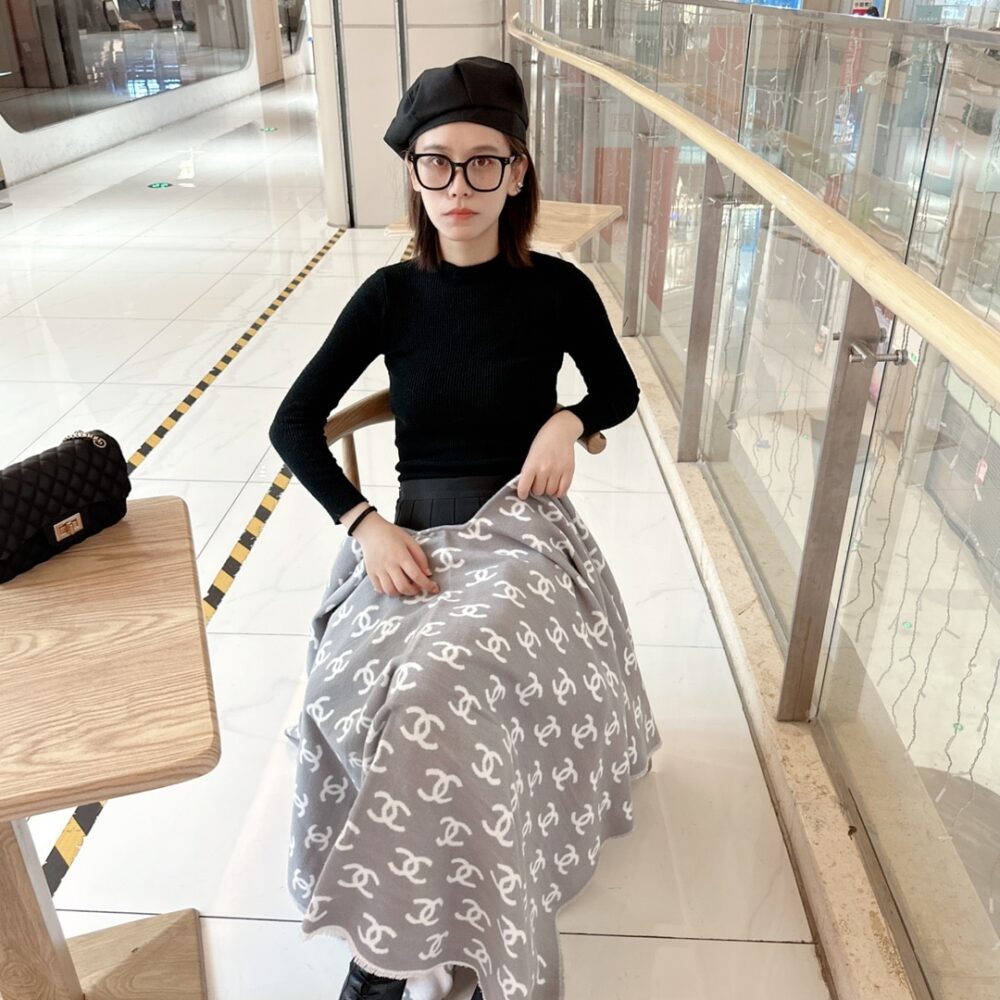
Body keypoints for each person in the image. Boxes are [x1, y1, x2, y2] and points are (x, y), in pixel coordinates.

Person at [269, 56, 653, 1000]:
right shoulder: (391, 295)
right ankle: (416, 932)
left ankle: (396, 956)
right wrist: (363, 523)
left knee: (438, 687)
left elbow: (618, 387)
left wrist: (568, 419)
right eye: (435, 162)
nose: (459, 186)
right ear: (413, 173)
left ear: (518, 172)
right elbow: (293, 423)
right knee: (390, 690)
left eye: (485, 162)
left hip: (521, 529)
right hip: (411, 535)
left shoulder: (557, 288)